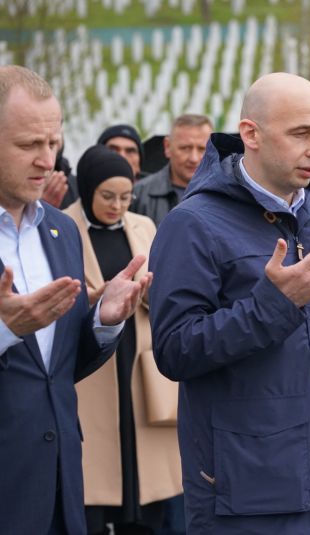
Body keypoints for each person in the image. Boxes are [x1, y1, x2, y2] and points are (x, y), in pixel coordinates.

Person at [148, 72, 310, 534]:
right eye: (301, 134)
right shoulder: (193, 223)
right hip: (245, 492)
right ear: (251, 134)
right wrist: (273, 306)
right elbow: (174, 350)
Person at [0, 65, 150, 535]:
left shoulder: (62, 230)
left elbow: (58, 370)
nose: (49, 161)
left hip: (63, 485)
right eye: (29, 145)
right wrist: (6, 332)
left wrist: (104, 321)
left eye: (55, 144)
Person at [63, 145, 181, 535]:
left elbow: (165, 289)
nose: (117, 206)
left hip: (137, 352)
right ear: (89, 190)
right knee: (95, 474)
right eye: (107, 197)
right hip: (90, 358)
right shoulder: (63, 226)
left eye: (125, 197)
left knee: (144, 480)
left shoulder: (143, 226)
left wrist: (143, 290)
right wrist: (98, 299)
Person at [130, 114, 213, 226]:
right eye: (185, 148)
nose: (194, 158)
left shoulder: (227, 195)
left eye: (202, 149)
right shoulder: (138, 195)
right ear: (167, 147)